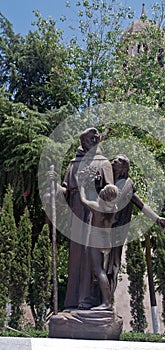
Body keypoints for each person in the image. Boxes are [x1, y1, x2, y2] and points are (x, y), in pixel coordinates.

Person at [55, 127, 114, 310]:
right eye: (90, 137)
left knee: (90, 258)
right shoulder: (74, 163)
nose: (94, 139)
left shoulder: (103, 163)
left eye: (96, 137)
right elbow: (65, 190)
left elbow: (111, 191)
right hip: (75, 214)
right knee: (76, 257)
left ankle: (88, 299)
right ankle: (72, 301)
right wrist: (53, 186)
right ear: (82, 140)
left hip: (92, 214)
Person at [108, 154, 165, 293]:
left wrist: (156, 218)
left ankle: (108, 295)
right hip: (101, 227)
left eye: (119, 161)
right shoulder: (106, 181)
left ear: (124, 168)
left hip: (117, 229)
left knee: (114, 263)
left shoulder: (127, 185)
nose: (115, 161)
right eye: (115, 159)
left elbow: (141, 205)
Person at [80, 182, 118, 310]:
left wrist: (82, 185)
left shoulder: (97, 207)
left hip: (96, 241)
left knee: (98, 271)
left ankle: (106, 303)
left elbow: (83, 200)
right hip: (107, 241)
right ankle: (104, 300)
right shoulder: (114, 208)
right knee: (100, 271)